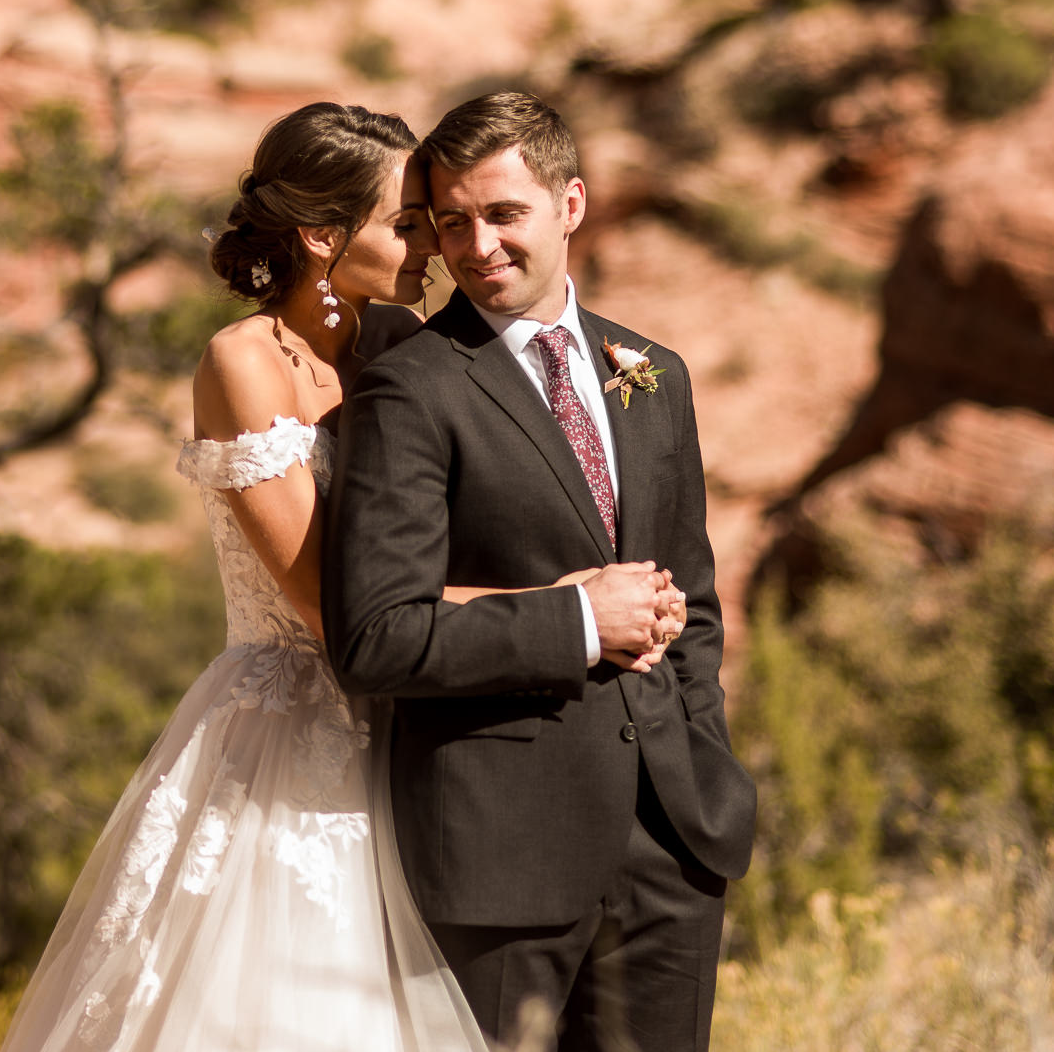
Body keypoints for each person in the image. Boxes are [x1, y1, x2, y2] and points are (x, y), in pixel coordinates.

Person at [0, 101, 609, 1051]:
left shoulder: (403, 346)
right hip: (287, 737)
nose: (434, 248)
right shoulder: (243, 364)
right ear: (325, 237)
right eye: (405, 224)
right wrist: (565, 609)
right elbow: (335, 606)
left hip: (418, 723)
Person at [323, 92, 757, 1052]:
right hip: (497, 857)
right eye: (452, 221)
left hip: (671, 851)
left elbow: (695, 601)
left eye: (504, 213)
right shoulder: (411, 387)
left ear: (571, 204)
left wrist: (704, 764)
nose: (478, 245)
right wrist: (577, 621)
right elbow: (375, 634)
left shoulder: (655, 373)